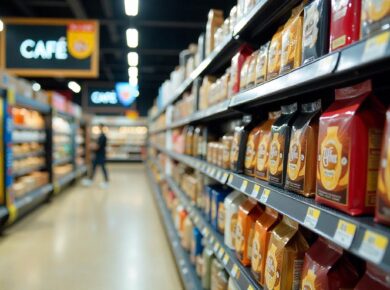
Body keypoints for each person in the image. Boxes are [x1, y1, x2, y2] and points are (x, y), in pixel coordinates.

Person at [83, 124, 109, 188]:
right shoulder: (101, 136)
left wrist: (91, 147)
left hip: (100, 155)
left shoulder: (102, 137)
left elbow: (98, 146)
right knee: (94, 167)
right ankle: (90, 180)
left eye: (99, 127)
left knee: (102, 167)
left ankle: (106, 182)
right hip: (99, 154)